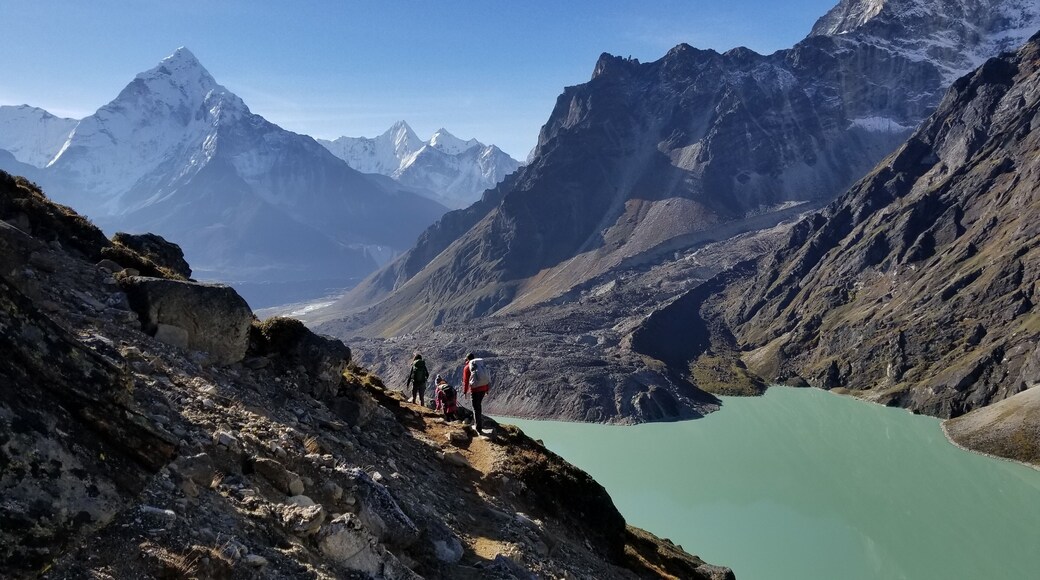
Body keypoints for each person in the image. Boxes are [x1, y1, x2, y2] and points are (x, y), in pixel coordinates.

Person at [462, 352, 491, 435]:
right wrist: (487, 389)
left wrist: (465, 392)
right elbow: (486, 376)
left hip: (475, 390)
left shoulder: (467, 367)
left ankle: (478, 428)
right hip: (483, 388)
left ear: (467, 359)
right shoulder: (480, 365)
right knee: (478, 406)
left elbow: (466, 381)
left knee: (476, 408)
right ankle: (479, 425)